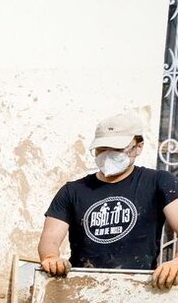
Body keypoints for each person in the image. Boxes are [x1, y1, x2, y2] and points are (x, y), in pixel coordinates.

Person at [38, 112, 178, 288]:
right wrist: (51, 258)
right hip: (81, 288)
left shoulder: (158, 182)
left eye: (117, 149)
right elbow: (50, 238)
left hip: (139, 287)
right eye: (102, 149)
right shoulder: (72, 191)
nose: (108, 155)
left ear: (138, 147)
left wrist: (176, 262)